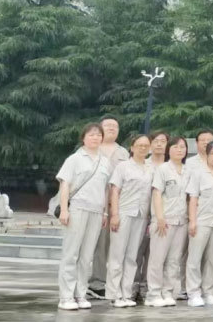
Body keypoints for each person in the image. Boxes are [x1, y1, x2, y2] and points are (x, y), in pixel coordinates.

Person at [55, 123, 113, 310]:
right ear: (84, 138)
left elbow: (106, 189)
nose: (95, 138)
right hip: (78, 208)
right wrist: (64, 209)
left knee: (86, 255)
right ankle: (66, 296)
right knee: (71, 253)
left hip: (96, 211)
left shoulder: (105, 162)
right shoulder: (74, 159)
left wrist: (105, 211)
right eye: (91, 135)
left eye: (98, 135)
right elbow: (65, 185)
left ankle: (80, 293)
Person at [105, 133, 152, 308]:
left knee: (132, 256)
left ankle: (126, 293)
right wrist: (114, 214)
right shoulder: (123, 167)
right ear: (132, 148)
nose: (143, 148)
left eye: (146, 145)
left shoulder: (150, 168)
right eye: (139, 145)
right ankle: (113, 293)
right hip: (123, 213)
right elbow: (114, 191)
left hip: (141, 215)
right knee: (117, 254)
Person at [89, 116, 130, 298]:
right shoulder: (91, 149)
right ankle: (90, 281)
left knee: (112, 245)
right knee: (94, 244)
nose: (112, 128)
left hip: (118, 205)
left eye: (115, 126)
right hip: (94, 202)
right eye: (108, 125)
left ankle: (106, 281)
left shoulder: (124, 153)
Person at [147, 135, 190, 307]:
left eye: (182, 147)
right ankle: (153, 293)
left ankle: (168, 291)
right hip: (164, 220)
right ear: (168, 150)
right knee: (158, 259)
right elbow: (157, 193)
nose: (179, 150)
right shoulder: (163, 169)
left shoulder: (188, 170)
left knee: (174, 259)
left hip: (182, 221)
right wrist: (159, 218)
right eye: (175, 147)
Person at [186, 140, 213, 307]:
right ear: (207, 155)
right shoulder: (198, 173)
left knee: (212, 259)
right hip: (202, 220)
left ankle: (208, 291)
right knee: (195, 258)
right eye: (212, 153)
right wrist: (192, 220)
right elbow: (193, 198)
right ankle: (193, 292)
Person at [133, 130, 169, 302]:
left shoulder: (171, 166)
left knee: (154, 254)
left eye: (163, 141)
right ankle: (133, 285)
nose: (159, 144)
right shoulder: (143, 164)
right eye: (156, 141)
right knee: (136, 251)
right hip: (141, 214)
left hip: (161, 217)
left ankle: (147, 286)